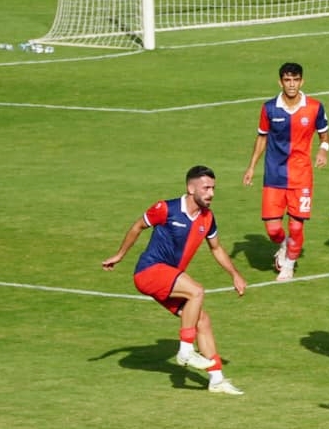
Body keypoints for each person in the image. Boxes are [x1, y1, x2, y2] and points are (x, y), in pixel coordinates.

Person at [102, 165, 248, 395]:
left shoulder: (208, 218)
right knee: (196, 291)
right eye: (206, 188)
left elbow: (216, 248)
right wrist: (119, 255)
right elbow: (138, 226)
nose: (211, 193)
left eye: (213, 188)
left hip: (168, 277)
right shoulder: (166, 208)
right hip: (149, 272)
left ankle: (217, 379)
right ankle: (186, 350)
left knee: (202, 321)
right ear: (191, 188)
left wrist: (235, 274)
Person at [241, 63, 329, 283]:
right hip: (274, 175)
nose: (292, 84)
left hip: (301, 176)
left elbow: (324, 134)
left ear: (302, 81)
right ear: (280, 82)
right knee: (273, 229)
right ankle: (284, 245)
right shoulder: (269, 108)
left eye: (295, 80)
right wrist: (251, 167)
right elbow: (262, 137)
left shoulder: (315, 107)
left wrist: (323, 150)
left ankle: (289, 265)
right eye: (287, 80)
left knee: (296, 226)